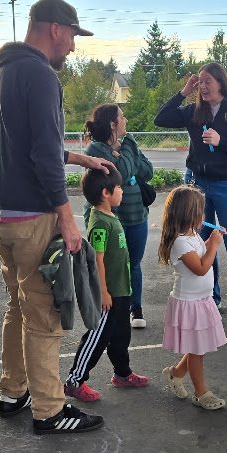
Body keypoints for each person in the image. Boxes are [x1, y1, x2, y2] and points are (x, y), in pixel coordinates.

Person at [0, 0, 114, 436]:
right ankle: (49, 411)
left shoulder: (1, 71)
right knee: (44, 317)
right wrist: (68, 219)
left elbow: (26, 144)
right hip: (33, 220)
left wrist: (80, 158)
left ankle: (13, 391)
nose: (73, 47)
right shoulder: (41, 75)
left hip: (1, 217)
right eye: (73, 36)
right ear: (55, 28)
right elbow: (42, 154)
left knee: (18, 308)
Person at [155, 62, 227, 308]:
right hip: (196, 182)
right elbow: (161, 118)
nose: (202, 86)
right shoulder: (194, 110)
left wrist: (221, 141)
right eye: (199, 81)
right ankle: (211, 297)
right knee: (199, 241)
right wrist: (183, 92)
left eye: (207, 81)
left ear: (221, 82)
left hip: (226, 183)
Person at [64, 168, 151, 401]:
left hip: (121, 291)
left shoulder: (110, 216)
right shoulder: (100, 223)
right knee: (97, 337)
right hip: (109, 294)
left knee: (121, 336)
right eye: (119, 187)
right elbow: (97, 260)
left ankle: (122, 374)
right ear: (106, 192)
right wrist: (103, 292)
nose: (122, 191)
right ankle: (74, 381)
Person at [82, 103, 154, 328]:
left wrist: (123, 156)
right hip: (110, 219)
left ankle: (135, 307)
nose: (126, 121)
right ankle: (107, 305)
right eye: (122, 117)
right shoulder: (95, 149)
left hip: (136, 215)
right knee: (108, 263)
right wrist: (129, 147)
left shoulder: (124, 147)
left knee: (134, 263)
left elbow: (148, 171)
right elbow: (121, 172)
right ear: (113, 124)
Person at [158, 185, 227, 410]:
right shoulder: (180, 241)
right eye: (200, 211)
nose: (204, 216)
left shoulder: (193, 235)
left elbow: (200, 254)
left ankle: (176, 373)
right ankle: (201, 393)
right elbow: (200, 268)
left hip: (201, 300)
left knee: (198, 346)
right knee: (197, 350)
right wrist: (214, 245)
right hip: (189, 303)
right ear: (190, 214)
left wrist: (209, 242)